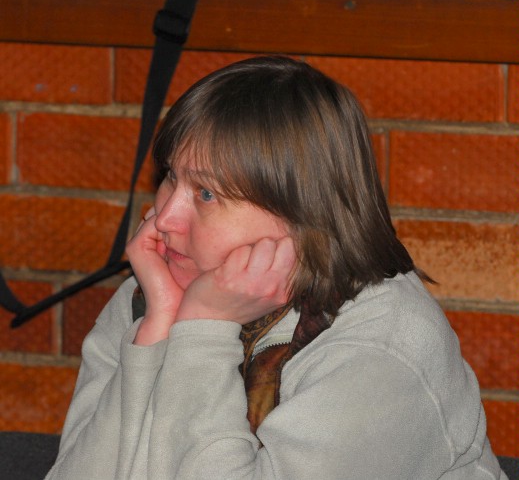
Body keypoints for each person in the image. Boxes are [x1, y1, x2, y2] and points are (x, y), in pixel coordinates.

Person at [45, 56, 507, 480]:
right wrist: (158, 327)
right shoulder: (154, 292)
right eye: (170, 176)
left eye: (206, 193)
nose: (164, 218)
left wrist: (203, 331)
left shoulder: (383, 347)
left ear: (301, 213)